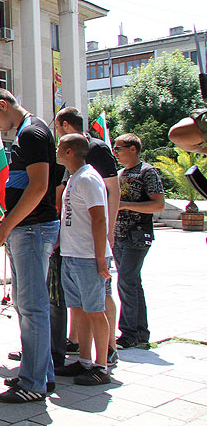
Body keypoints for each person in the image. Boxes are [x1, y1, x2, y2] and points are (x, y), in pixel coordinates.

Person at [0, 88, 58, 403]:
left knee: (31, 305)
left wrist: (5, 226)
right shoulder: (30, 132)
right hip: (29, 228)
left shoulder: (32, 134)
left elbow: (39, 186)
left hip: (32, 228)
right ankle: (41, 374)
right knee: (29, 304)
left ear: (2, 105)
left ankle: (34, 384)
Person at [54, 108, 120, 368]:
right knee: (79, 310)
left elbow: (99, 218)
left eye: (59, 146)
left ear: (70, 152)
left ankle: (102, 365)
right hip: (72, 254)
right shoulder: (73, 177)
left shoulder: (89, 178)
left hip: (88, 257)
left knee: (95, 310)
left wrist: (101, 257)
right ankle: (83, 359)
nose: (56, 150)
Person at [112, 133, 164, 350]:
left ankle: (129, 332)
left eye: (119, 148)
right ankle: (140, 332)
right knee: (132, 283)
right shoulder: (119, 173)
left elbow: (158, 205)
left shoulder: (148, 172)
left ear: (133, 149)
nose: (115, 152)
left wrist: (125, 205)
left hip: (136, 236)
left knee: (126, 281)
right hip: (118, 236)